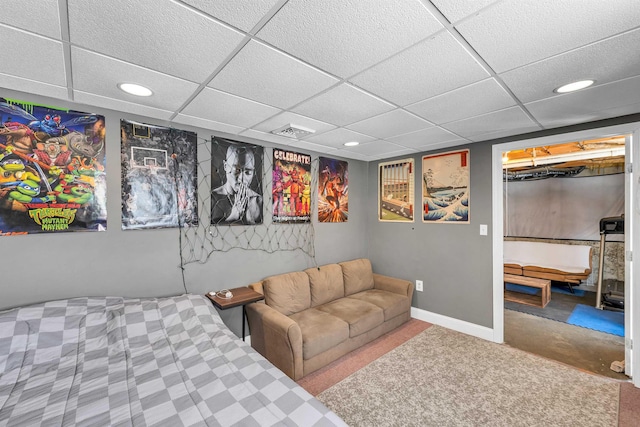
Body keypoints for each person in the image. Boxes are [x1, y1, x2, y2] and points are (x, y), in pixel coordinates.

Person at [211, 144, 262, 225]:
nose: (241, 178)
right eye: (236, 170)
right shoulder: (213, 198)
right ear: (225, 166)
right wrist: (233, 217)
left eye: (248, 172)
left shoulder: (258, 200)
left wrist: (249, 221)